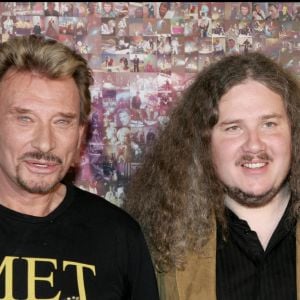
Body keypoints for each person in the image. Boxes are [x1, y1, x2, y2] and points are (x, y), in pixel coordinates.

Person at [124, 52, 300, 299]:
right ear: (203, 144)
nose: (254, 145)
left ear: (294, 132)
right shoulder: (157, 246)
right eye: (233, 128)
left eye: (269, 124)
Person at [0, 35, 159, 299]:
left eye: (62, 122)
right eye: (25, 118)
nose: (44, 143)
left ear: (79, 135)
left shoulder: (117, 235)